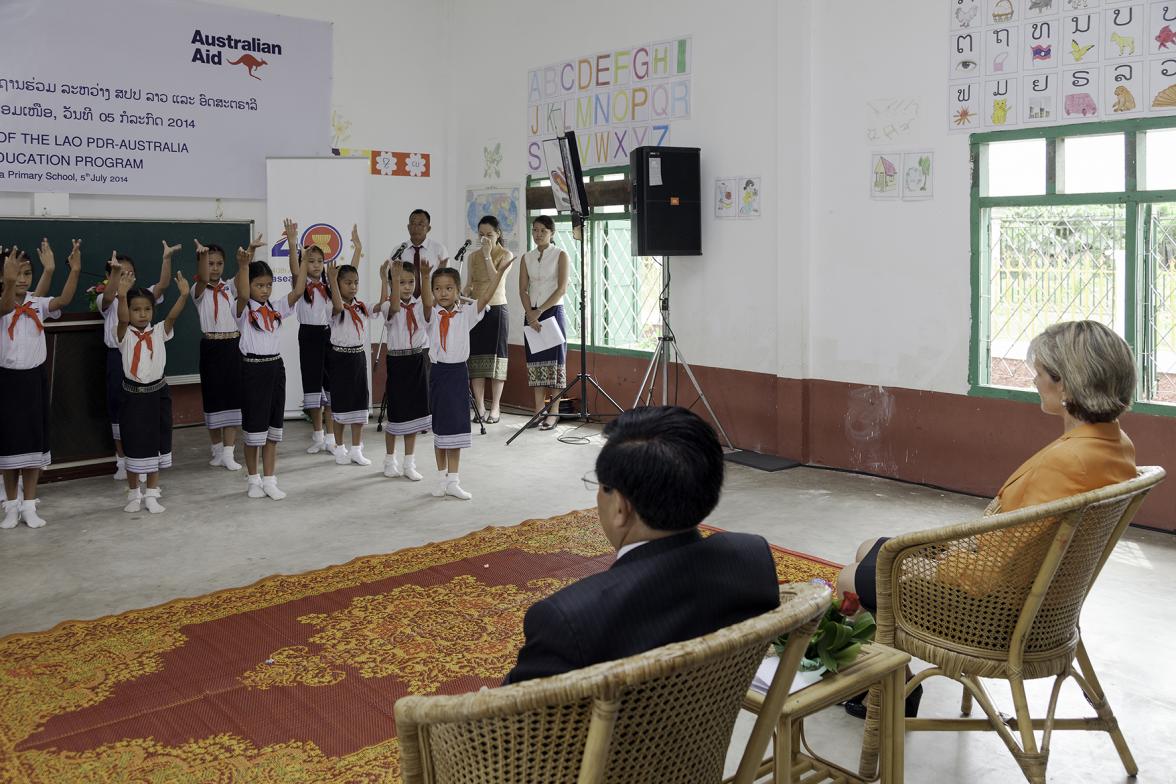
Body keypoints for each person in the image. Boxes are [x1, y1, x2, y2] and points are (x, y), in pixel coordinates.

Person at [837, 320, 1138, 718]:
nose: (1034, 379)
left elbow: (985, 576)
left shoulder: (1067, 463)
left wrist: (932, 561)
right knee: (871, 550)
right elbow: (1021, 541)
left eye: (1042, 372)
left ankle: (893, 688)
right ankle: (894, 684)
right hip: (1048, 605)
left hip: (994, 618)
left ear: (1065, 385)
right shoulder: (1116, 446)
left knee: (850, 575)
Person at [504, 405, 781, 684]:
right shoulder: (751, 558)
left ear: (621, 507)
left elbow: (514, 720)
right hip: (712, 722)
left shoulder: (568, 619)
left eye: (600, 486)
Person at [0, 241, 81, 529]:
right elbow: (5, 307)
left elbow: (63, 300)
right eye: (16, 273)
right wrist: (7, 284)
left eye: (27, 274)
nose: (22, 279)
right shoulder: (3, 303)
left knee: (33, 446)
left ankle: (30, 504)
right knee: (10, 448)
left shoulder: (37, 303)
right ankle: (11, 506)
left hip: (34, 380)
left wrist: (72, 270)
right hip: (7, 383)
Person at [421, 253, 513, 501]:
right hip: (439, 373)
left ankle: (454, 480)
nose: (443, 293)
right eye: (438, 288)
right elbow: (428, 304)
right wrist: (423, 275)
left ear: (458, 290)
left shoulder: (466, 314)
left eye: (449, 288)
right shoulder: (430, 316)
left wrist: (500, 272)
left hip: (459, 373)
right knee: (441, 430)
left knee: (457, 429)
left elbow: (484, 298)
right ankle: (441, 479)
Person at [235, 221, 308, 500]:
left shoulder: (277, 307)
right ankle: (253, 479)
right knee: (254, 428)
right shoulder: (242, 308)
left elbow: (299, 291)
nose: (264, 290)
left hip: (275, 369)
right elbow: (242, 293)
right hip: (252, 370)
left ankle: (270, 478)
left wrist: (293, 244)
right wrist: (244, 265)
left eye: (267, 285)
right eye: (259, 285)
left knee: (273, 428)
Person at [112, 262, 189, 513]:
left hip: (157, 395)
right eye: (137, 310)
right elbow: (123, 318)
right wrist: (122, 295)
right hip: (132, 397)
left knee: (155, 443)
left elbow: (173, 316)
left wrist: (184, 295)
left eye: (147, 309)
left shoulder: (159, 331)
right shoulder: (123, 334)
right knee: (134, 444)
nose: (142, 314)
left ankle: (152, 493)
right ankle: (134, 493)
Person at [100, 243, 175, 479]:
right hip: (118, 357)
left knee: (147, 413)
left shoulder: (141, 296)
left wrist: (166, 258)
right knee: (119, 409)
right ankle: (123, 459)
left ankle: (147, 459)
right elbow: (112, 295)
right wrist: (116, 279)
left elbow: (162, 285)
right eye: (119, 272)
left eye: (129, 272)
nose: (126, 276)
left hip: (145, 358)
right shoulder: (108, 297)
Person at [192, 238, 260, 472]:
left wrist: (249, 251)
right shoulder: (198, 290)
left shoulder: (230, 286)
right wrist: (201, 256)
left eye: (219, 263)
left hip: (233, 345)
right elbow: (201, 278)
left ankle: (229, 453)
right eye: (210, 263)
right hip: (211, 347)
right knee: (213, 397)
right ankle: (217, 449)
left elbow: (244, 276)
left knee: (232, 398)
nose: (215, 268)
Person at [291, 226, 361, 456]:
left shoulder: (330, 285)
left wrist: (357, 248)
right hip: (308, 336)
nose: (316, 265)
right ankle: (318, 436)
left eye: (319, 260)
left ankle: (331, 438)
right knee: (312, 387)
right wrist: (293, 245)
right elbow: (294, 269)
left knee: (330, 388)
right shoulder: (300, 285)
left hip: (327, 337)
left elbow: (350, 274)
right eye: (310, 261)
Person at [378, 258, 430, 480]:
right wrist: (392, 278)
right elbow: (396, 307)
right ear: (392, 285)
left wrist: (426, 278)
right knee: (397, 414)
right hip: (398, 363)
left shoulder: (420, 304)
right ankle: (390, 459)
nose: (407, 286)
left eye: (410, 282)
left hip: (417, 360)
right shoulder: (388, 305)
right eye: (401, 282)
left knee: (415, 416)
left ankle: (409, 462)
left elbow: (429, 307)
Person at [518, 216, 569, 430]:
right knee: (536, 364)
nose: (537, 234)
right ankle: (538, 411)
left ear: (552, 233)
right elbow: (523, 289)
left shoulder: (560, 255)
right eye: (535, 230)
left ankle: (554, 413)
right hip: (531, 315)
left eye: (542, 231)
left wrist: (539, 311)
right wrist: (530, 313)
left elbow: (561, 289)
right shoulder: (526, 257)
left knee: (555, 365)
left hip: (552, 312)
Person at [464, 215, 513, 423]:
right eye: (481, 235)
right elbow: (470, 283)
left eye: (489, 235)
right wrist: (464, 291)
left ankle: (496, 407)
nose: (485, 239)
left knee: (496, 360)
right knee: (476, 360)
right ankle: (480, 408)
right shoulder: (471, 257)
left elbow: (496, 279)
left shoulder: (506, 254)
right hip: (476, 309)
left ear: (498, 234)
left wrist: (486, 255)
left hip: (497, 309)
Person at [325, 262, 373, 466]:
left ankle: (356, 449)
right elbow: (338, 306)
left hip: (358, 358)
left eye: (356, 283)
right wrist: (332, 282)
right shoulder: (332, 306)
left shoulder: (361, 307)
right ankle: (339, 448)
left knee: (359, 403)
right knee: (341, 405)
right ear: (338, 284)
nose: (353, 287)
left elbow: (382, 306)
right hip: (339, 359)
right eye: (347, 283)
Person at [398, 209, 449, 299]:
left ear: (428, 228)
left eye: (421, 224)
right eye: (413, 224)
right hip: (405, 303)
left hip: (433, 302)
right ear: (408, 227)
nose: (416, 227)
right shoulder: (399, 250)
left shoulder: (439, 249)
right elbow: (391, 279)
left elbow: (446, 279)